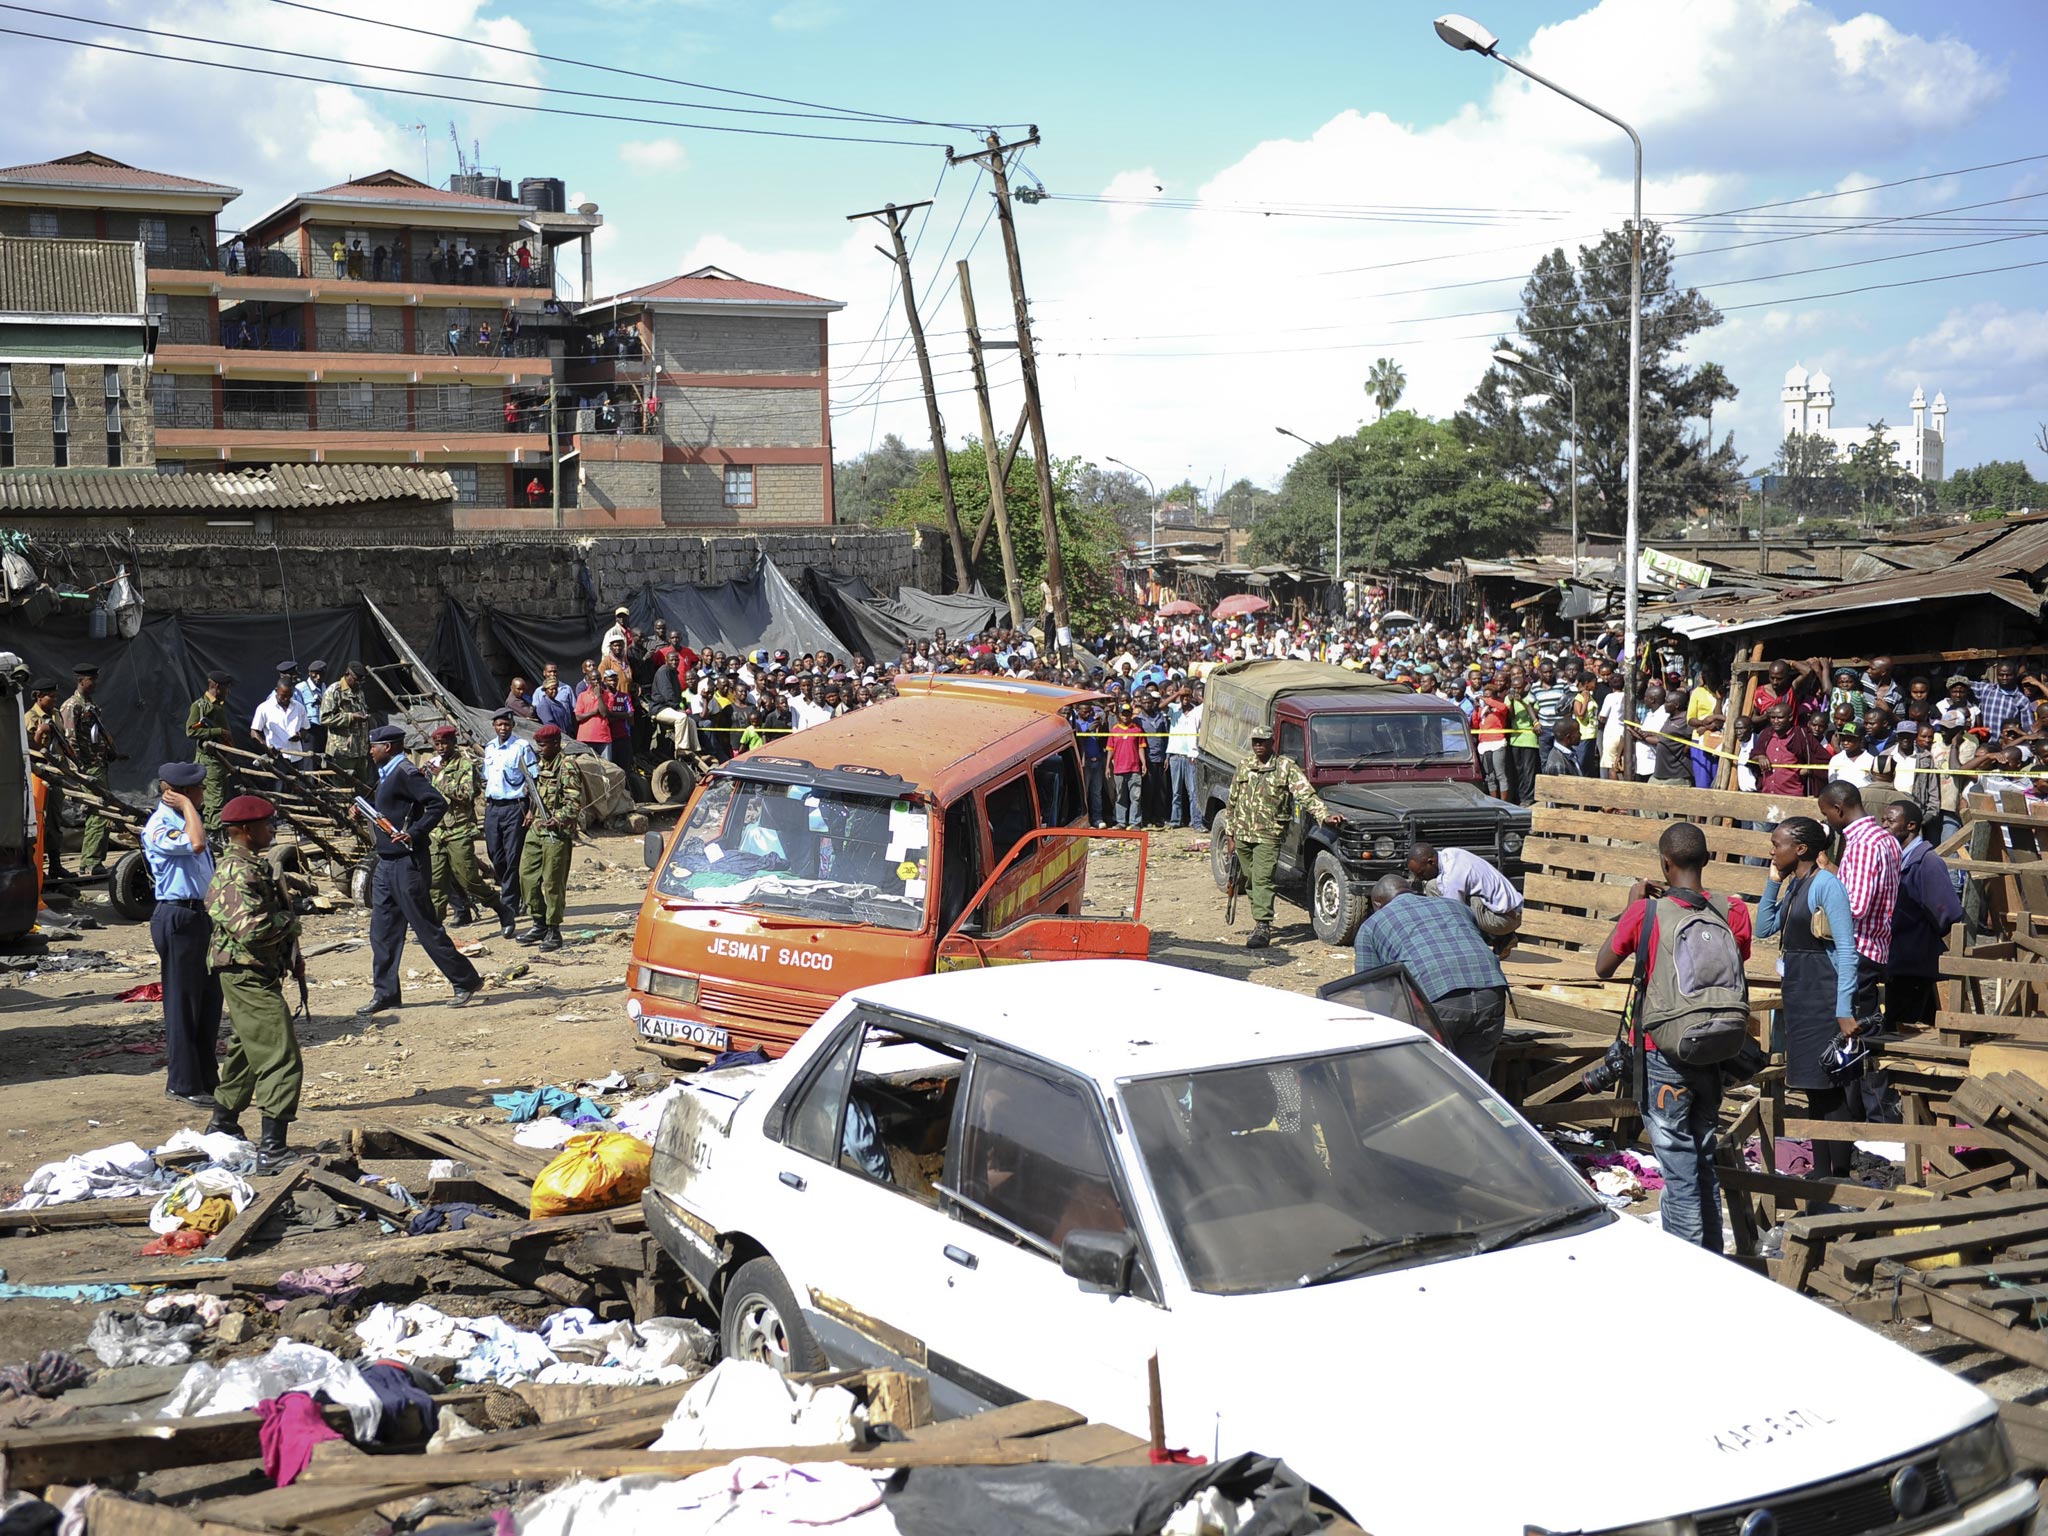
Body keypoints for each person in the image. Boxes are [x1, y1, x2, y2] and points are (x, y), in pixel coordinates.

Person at [1592, 822, 1754, 1251]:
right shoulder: (1733, 911)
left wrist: (1632, 906)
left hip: (1662, 1054)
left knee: (1679, 1168)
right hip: (1715, 1049)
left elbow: (1603, 966)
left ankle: (1691, 1267)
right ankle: (1712, 1255)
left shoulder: (1645, 913)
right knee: (1701, 1158)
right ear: (1708, 859)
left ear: (1664, 863)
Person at [203, 795, 307, 1172]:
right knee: (280, 1053)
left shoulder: (254, 866)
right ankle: (273, 1148)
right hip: (245, 973)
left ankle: (223, 1123)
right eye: (266, 824)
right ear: (245, 831)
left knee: (247, 1051)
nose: (273, 829)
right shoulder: (235, 872)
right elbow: (251, 929)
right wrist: (290, 922)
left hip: (258, 971)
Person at [1756, 816, 1861, 1179]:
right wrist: (1773, 882)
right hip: (1800, 997)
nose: (1772, 850)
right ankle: (1820, 1169)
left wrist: (1844, 1009)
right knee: (1814, 1090)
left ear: (1800, 849)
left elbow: (1847, 950)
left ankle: (1840, 1173)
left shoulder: (1826, 886)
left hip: (1824, 997)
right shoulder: (1796, 884)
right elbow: (1764, 928)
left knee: (1831, 1090)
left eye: (1778, 844)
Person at [354, 725, 482, 1018]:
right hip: (386, 863)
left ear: (388, 747)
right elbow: (393, 808)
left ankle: (466, 980)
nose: (369, 750)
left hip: (407, 863)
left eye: (373, 745)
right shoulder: (387, 773)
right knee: (382, 932)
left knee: (425, 926)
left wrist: (414, 832)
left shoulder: (406, 773)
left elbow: (437, 804)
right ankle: (385, 993)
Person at [1353, 874, 1510, 1081]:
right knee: (1473, 1084)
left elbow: (1373, 993)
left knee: (1427, 1083)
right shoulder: (1456, 906)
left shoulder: (1371, 927)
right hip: (1492, 994)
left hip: (1438, 1001)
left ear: (1377, 903)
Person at [143, 761, 222, 1112]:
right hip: (177, 915)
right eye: (197, 791)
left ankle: (207, 1077)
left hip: (200, 914)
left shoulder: (188, 819)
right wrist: (188, 807)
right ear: (178, 793)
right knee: (183, 1004)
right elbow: (197, 845)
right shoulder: (161, 825)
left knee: (209, 1001)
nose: (203, 795)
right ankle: (183, 1082)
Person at [1223, 724, 1342, 951]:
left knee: (1263, 879)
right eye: (1255, 741)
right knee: (1249, 878)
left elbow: (1305, 793)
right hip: (1243, 833)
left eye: (1262, 741)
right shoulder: (1245, 765)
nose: (1258, 745)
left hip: (1269, 834)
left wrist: (1324, 815)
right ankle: (1260, 914)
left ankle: (1262, 926)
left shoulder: (1285, 767)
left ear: (1271, 743)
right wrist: (1230, 834)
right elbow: (1232, 801)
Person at [1817, 780, 1901, 1028]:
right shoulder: (1886, 839)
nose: (1828, 820)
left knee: (1855, 1027)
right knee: (1866, 1020)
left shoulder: (1863, 844)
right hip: (1876, 944)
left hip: (1857, 947)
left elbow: (1856, 905)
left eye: (1827, 813)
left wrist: (1820, 905)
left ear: (1838, 809)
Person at [1881, 799, 1962, 1032]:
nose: (1884, 825)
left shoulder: (1928, 862)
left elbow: (1947, 912)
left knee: (1912, 1029)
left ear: (1911, 826)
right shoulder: (1897, 858)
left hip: (1917, 961)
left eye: (1891, 821)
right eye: (1883, 820)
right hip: (1898, 959)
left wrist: (1919, 935)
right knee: (1899, 1028)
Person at [426, 725, 508, 932]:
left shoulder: (464, 765)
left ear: (453, 743)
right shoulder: (433, 764)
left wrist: (441, 777)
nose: (441, 748)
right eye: (437, 744)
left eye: (444, 743)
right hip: (437, 830)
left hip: (459, 829)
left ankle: (499, 905)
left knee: (468, 878)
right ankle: (434, 927)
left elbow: (466, 794)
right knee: (435, 881)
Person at [519, 724, 584, 953]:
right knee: (527, 877)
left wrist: (557, 819)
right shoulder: (539, 765)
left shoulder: (567, 766)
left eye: (543, 745)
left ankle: (553, 929)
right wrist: (529, 811)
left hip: (555, 834)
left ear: (556, 744)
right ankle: (538, 922)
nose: (540, 749)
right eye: (538, 745)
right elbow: (537, 795)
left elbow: (574, 803)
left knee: (552, 882)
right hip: (536, 829)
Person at [482, 707, 539, 932]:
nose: (503, 728)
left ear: (513, 725)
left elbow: (533, 780)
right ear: (494, 726)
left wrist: (531, 810)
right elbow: (487, 777)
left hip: (515, 807)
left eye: (507, 724)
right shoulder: (490, 748)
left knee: (513, 854)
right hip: (493, 807)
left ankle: (509, 904)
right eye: (499, 724)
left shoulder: (521, 747)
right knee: (495, 854)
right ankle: (517, 892)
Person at [60, 663, 117, 876]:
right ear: (81, 680)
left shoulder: (90, 703)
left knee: (101, 812)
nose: (95, 683)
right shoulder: (72, 706)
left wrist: (110, 751)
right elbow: (70, 740)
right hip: (89, 768)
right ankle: (92, 862)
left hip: (99, 764)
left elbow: (96, 733)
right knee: (99, 812)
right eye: (91, 679)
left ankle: (89, 862)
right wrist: (80, 769)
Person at [1406, 840, 1522, 945]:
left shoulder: (1452, 878)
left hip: (1505, 919)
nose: (1421, 879)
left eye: (1421, 873)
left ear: (1431, 862)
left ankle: (1489, 940)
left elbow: (1454, 916)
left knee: (1456, 911)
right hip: (1508, 912)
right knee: (1432, 886)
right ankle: (1500, 937)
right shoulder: (1449, 854)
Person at [24, 677, 68, 878]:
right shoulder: (30, 718)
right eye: (51, 696)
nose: (54, 700)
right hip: (38, 775)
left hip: (56, 772)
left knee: (55, 820)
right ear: (39, 697)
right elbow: (27, 750)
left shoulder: (57, 714)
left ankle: (55, 864)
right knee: (39, 821)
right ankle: (37, 865)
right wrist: (40, 732)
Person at [185, 669, 234, 830]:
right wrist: (217, 732)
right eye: (226, 687)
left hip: (220, 759)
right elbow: (191, 731)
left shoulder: (218, 706)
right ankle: (215, 833)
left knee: (220, 796)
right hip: (209, 760)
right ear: (217, 686)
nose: (228, 691)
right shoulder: (201, 706)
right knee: (215, 799)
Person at [320, 662, 371, 789]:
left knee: (362, 788)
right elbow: (325, 718)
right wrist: (351, 717)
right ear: (347, 675)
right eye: (356, 679)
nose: (359, 683)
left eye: (361, 680)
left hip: (360, 750)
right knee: (343, 789)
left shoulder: (359, 692)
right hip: (343, 752)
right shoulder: (334, 691)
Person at [250, 663, 309, 758]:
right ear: (277, 691)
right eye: (283, 696)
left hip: (296, 756)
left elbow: (305, 728)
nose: (286, 699)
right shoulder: (265, 707)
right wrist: (266, 747)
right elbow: (254, 732)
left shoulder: (299, 707)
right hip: (277, 756)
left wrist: (300, 735)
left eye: (289, 696)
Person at [1166, 684, 1203, 829]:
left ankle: (1196, 822)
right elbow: (1161, 705)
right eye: (1183, 696)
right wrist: (1176, 694)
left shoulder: (1196, 711)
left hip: (1191, 756)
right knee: (1176, 792)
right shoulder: (1175, 709)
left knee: (1193, 792)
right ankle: (1175, 821)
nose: (1185, 699)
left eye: (1187, 696)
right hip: (1175, 755)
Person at [1107, 704, 1147, 829]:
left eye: (1128, 713)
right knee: (1120, 797)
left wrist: (1144, 763)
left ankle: (1135, 822)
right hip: (1119, 769)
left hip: (1134, 768)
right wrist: (1107, 766)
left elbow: (1141, 747)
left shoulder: (1137, 729)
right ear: (1120, 714)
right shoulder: (1114, 730)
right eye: (1123, 713)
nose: (1125, 716)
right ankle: (1121, 822)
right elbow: (1110, 749)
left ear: (1131, 714)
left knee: (1135, 797)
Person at [294, 661, 328, 756]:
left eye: (321, 675)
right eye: (315, 675)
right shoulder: (301, 688)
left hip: (323, 728)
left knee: (324, 761)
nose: (318, 678)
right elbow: (297, 711)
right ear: (309, 673)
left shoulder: (323, 686)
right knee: (310, 761)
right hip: (310, 730)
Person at [533, 663, 576, 734]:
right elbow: (549, 723)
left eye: (556, 689)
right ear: (545, 690)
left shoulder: (566, 690)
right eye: (550, 672)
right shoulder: (542, 702)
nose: (552, 674)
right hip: (554, 735)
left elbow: (572, 712)